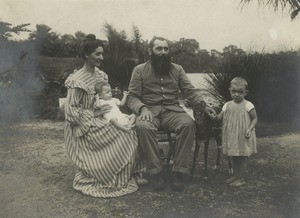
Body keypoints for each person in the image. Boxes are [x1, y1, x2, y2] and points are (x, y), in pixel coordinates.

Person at [127, 36, 215, 191]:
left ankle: (180, 172)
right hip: (149, 111)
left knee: (188, 124)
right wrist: (142, 109)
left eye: (165, 49)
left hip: (172, 111)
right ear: (151, 51)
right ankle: (155, 173)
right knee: (143, 127)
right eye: (158, 49)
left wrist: (204, 105)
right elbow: (132, 97)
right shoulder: (139, 70)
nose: (163, 52)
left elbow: (190, 91)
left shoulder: (177, 69)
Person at [64, 34, 143, 198]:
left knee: (129, 131)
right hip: (83, 125)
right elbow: (70, 112)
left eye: (102, 53)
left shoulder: (101, 76)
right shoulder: (77, 80)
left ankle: (124, 174)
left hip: (101, 118)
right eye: (97, 54)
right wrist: (95, 113)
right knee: (124, 135)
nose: (101, 57)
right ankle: (109, 175)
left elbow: (107, 99)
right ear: (87, 55)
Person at [212, 77, 258, 187]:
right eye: (234, 91)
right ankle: (236, 175)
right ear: (230, 90)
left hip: (242, 135)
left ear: (246, 92)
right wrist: (213, 115)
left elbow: (255, 118)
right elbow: (219, 117)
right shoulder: (227, 105)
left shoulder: (248, 105)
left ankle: (241, 178)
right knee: (234, 155)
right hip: (232, 135)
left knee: (241, 156)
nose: (236, 94)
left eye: (240, 92)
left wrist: (249, 129)